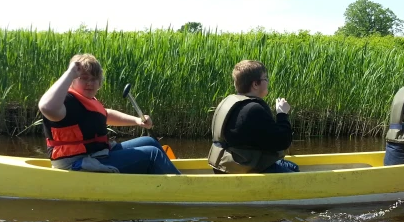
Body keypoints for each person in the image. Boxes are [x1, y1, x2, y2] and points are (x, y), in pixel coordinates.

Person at [38, 54, 180, 175]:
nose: (90, 83)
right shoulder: (67, 101)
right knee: (152, 154)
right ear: (73, 80)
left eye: (94, 79)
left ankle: (163, 173)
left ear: (99, 82)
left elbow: (105, 115)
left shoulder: (87, 100)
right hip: (76, 163)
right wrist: (70, 73)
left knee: (149, 142)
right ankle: (179, 186)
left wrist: (137, 120)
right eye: (84, 78)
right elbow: (46, 107)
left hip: (97, 153)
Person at [208, 60, 298, 174]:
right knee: (299, 179)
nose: (268, 81)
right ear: (255, 84)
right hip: (241, 168)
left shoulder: (229, 102)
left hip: (222, 165)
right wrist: (282, 114)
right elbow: (282, 142)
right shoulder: (253, 109)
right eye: (265, 78)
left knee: (293, 167)